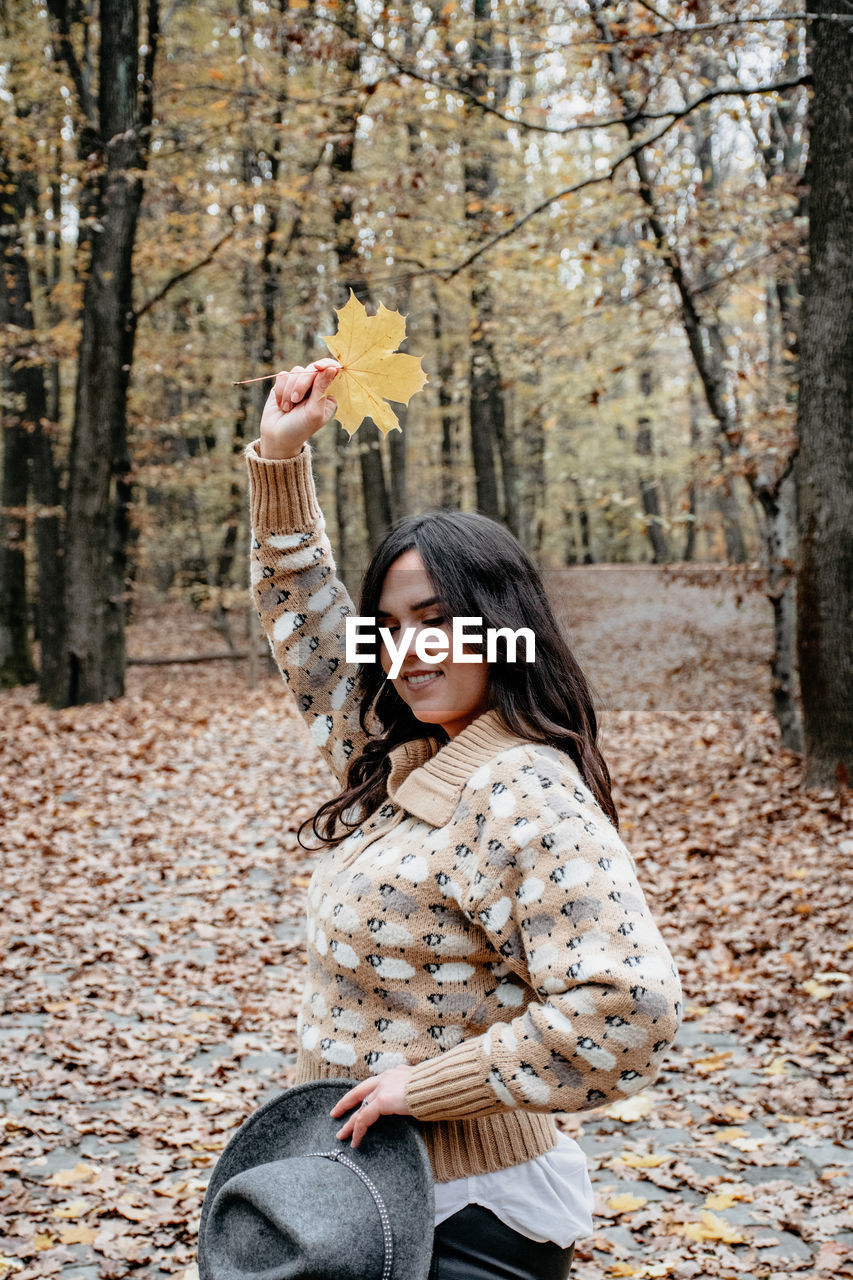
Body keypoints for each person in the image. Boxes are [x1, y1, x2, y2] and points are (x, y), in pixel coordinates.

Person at [244, 357, 683, 1280]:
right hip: (363, 1199)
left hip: (467, 1228)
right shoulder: (405, 762)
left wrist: (427, 1087)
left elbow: (626, 1006)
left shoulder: (521, 789)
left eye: (438, 619)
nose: (410, 649)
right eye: (392, 626)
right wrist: (281, 460)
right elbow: (315, 641)